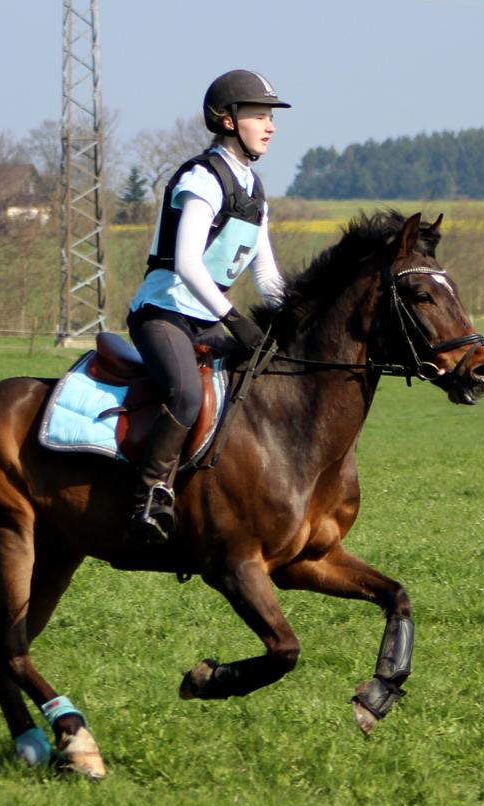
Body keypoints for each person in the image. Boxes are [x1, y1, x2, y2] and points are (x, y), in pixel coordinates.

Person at [126, 69, 291, 545]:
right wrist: (234, 319)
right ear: (227, 120)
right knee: (185, 395)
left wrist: (293, 320)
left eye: (271, 117)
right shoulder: (203, 178)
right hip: (163, 314)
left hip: (206, 318)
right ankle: (148, 495)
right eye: (259, 115)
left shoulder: (255, 190)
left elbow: (266, 274)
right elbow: (186, 263)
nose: (270, 126)